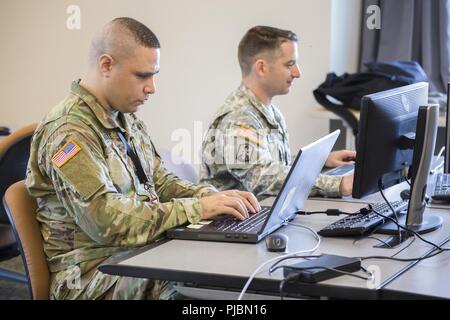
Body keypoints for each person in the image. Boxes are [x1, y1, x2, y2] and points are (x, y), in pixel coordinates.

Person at [25, 17, 260, 300]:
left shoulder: (124, 118)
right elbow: (105, 219)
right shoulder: (68, 132)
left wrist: (212, 198)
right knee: (188, 289)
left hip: (138, 252)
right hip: (91, 275)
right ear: (106, 65)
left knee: (224, 267)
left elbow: (159, 180)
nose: (152, 88)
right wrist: (196, 209)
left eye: (154, 75)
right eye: (142, 76)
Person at [200, 26, 355, 198]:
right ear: (261, 68)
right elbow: (262, 177)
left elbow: (271, 164)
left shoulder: (268, 110)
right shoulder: (239, 118)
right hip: (230, 222)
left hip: (259, 213)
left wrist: (319, 161)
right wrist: (338, 184)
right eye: (290, 64)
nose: (297, 73)